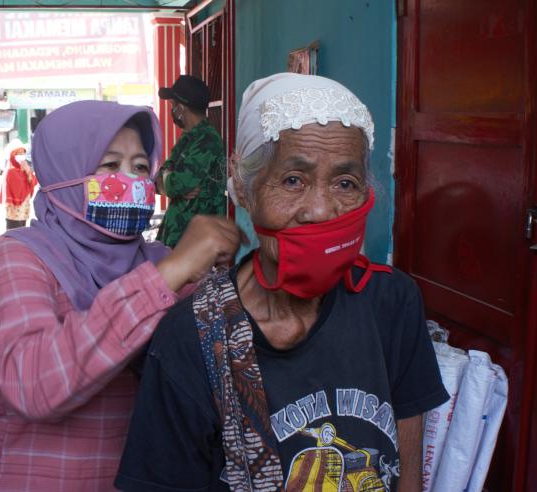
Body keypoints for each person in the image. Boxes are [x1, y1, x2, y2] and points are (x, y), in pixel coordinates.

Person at [116, 74, 450, 491]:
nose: (320, 210)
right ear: (246, 187)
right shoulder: (192, 337)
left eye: (345, 183)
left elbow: (407, 470)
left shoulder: (391, 301)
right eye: (293, 180)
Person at [0, 100, 242, 491]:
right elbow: (32, 383)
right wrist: (168, 276)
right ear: (65, 171)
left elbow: (221, 363)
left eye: (141, 168)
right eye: (110, 166)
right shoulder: (17, 257)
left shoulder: (157, 260)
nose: (130, 181)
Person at [156, 75, 227, 247]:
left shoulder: (207, 140)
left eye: (173, 105)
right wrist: (167, 177)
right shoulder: (189, 138)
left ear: (181, 108)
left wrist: (170, 181)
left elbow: (176, 184)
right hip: (177, 237)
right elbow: (160, 180)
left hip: (196, 242)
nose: (172, 111)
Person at [0, 141, 37, 230]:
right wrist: (28, 173)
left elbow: (33, 182)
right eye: (19, 153)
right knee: (14, 231)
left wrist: (28, 172)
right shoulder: (11, 172)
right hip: (14, 211)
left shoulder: (25, 170)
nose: (22, 155)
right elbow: (17, 188)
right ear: (13, 155)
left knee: (22, 230)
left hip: (24, 209)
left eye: (23, 153)